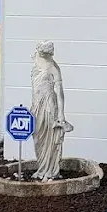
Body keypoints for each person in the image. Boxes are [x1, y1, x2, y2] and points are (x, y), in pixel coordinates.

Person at [30, 40, 74, 180]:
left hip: (49, 105)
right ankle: (41, 167)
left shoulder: (54, 68)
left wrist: (61, 114)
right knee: (37, 137)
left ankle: (50, 170)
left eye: (46, 53)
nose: (42, 55)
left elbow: (60, 93)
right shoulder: (35, 58)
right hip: (36, 105)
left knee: (49, 138)